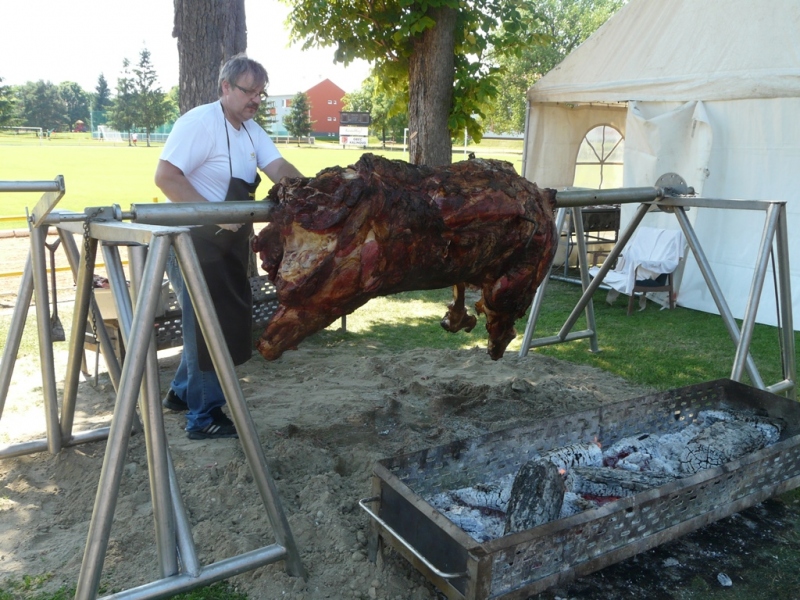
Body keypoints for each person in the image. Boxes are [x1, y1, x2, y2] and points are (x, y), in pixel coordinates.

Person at [154, 53, 303, 440]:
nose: (255, 99)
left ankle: (182, 393)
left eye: (260, 93)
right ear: (225, 87)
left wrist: (316, 191)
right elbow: (166, 177)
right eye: (248, 91)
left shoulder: (250, 130)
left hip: (227, 245)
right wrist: (215, 213)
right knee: (206, 328)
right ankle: (204, 417)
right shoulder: (200, 123)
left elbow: (279, 169)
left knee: (221, 322)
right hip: (191, 241)